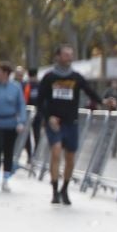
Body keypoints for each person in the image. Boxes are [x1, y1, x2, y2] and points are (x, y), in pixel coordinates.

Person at [34, 44, 104, 205]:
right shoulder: (49, 77)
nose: (69, 58)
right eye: (66, 55)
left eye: (71, 55)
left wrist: (103, 101)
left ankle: (64, 189)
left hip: (71, 122)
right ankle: (54, 190)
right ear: (57, 57)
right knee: (56, 152)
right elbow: (39, 101)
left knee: (70, 157)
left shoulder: (76, 77)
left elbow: (89, 91)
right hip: (55, 122)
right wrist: (48, 117)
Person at [0, 62, 28, 192]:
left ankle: (6, 179)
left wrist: (21, 122)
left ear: (6, 74)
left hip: (11, 124)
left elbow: (21, 106)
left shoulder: (16, 87)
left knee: (8, 151)